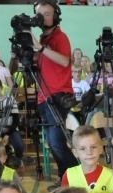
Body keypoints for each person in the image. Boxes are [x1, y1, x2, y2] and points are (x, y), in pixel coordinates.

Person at [31, 0, 79, 174]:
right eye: (39, 14)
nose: (42, 18)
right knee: (52, 143)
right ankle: (65, 178)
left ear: (55, 16)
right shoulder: (43, 39)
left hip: (57, 95)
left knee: (57, 143)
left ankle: (74, 177)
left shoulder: (60, 37)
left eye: (47, 14)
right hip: (43, 97)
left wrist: (39, 47)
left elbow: (65, 60)